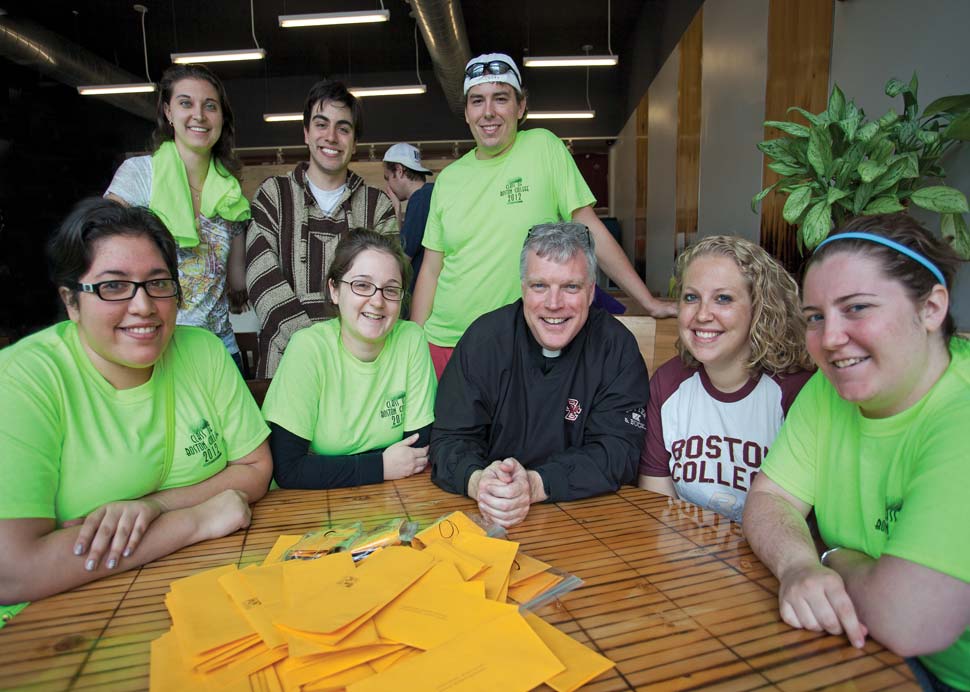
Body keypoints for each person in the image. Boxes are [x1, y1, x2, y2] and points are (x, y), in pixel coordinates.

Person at [0, 198, 271, 612]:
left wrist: (152, 506)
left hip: (205, 587)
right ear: (71, 301)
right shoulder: (23, 379)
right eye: (113, 286)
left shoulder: (202, 351)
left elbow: (254, 469)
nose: (143, 306)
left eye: (158, 283)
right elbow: (14, 571)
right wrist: (194, 520)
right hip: (57, 623)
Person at [741, 214, 970, 691]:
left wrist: (831, 556)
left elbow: (911, 620)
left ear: (931, 308)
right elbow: (769, 500)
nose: (829, 339)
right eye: (816, 317)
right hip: (866, 650)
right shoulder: (831, 389)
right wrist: (796, 565)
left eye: (858, 308)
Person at [412, 52, 676, 378]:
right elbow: (431, 271)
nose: (488, 112)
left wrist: (647, 301)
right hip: (447, 342)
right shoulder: (449, 179)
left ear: (521, 107)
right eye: (477, 101)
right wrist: (414, 345)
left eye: (501, 99)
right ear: (466, 112)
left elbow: (590, 229)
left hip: (521, 342)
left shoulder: (543, 148)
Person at [431, 222, 649, 528]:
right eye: (539, 286)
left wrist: (535, 484)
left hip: (585, 520)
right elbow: (449, 439)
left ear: (590, 291)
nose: (553, 303)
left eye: (570, 287)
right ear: (522, 287)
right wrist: (478, 481)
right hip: (488, 515)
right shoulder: (484, 340)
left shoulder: (616, 349)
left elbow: (619, 452)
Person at [638, 236, 813, 522]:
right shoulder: (668, 383)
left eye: (723, 299)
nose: (703, 314)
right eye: (691, 297)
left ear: (760, 307)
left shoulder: (796, 390)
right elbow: (656, 506)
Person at [261, 229, 436, 489]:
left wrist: (347, 468)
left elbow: (417, 452)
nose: (377, 301)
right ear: (334, 290)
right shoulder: (308, 349)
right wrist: (381, 465)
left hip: (387, 496)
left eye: (390, 290)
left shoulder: (411, 339)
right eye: (362, 285)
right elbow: (288, 469)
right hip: (307, 502)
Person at [246, 80, 398, 378]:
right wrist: (314, 350)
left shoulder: (377, 206)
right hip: (285, 366)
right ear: (306, 132)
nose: (331, 137)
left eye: (343, 128)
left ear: (355, 142)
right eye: (321, 124)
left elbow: (388, 288)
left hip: (357, 372)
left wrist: (341, 357)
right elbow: (260, 277)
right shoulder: (273, 196)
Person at [105, 63, 251, 369]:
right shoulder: (140, 175)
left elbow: (237, 280)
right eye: (186, 103)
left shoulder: (230, 191)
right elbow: (103, 256)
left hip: (219, 352)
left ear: (222, 118)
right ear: (168, 112)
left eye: (210, 106)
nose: (198, 115)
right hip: (156, 348)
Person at [382, 142, 433, 294]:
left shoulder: (420, 199)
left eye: (387, 178)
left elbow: (401, 261)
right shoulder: (433, 192)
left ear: (399, 170)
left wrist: (396, 212)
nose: (388, 185)